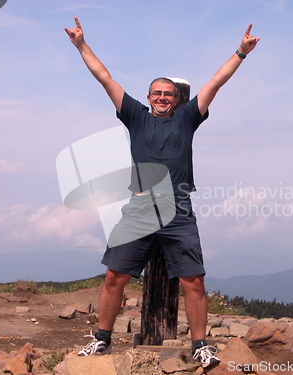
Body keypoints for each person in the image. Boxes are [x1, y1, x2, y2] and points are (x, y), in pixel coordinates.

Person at [64, 16, 259, 369]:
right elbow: (104, 77)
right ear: (149, 96)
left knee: (193, 280)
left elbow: (216, 82)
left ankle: (199, 345)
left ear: (176, 98)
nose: (162, 98)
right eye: (157, 93)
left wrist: (241, 53)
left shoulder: (187, 118)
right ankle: (102, 340)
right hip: (139, 208)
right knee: (114, 277)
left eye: (168, 94)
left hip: (178, 209)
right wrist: (81, 45)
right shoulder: (135, 116)